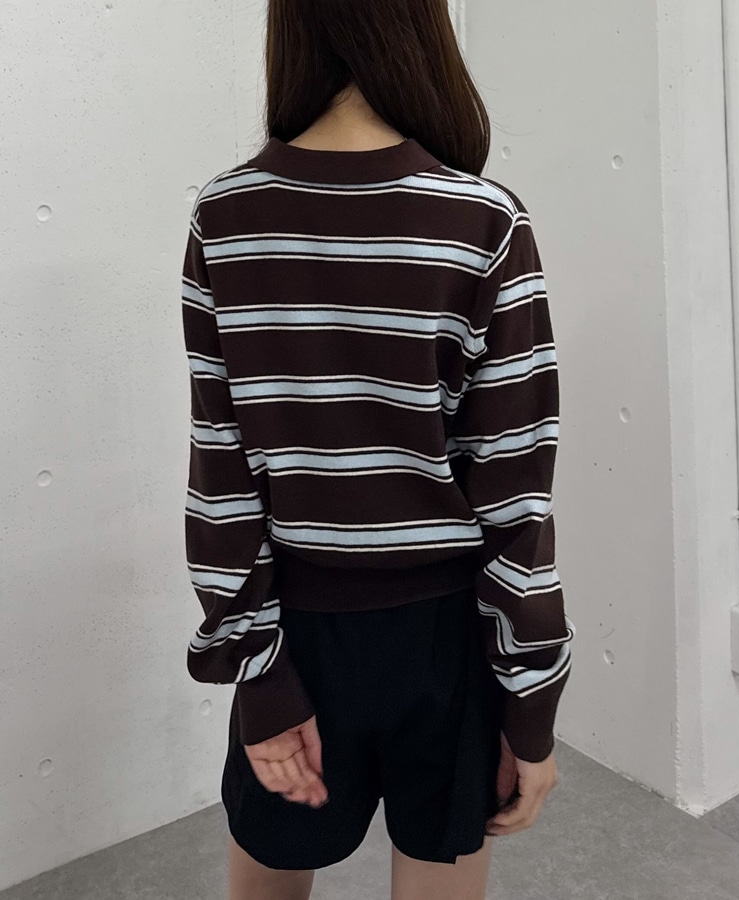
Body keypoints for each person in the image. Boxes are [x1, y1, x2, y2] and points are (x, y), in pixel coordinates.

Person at [180, 2, 576, 898]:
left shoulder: (225, 215)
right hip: (447, 646)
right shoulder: (484, 221)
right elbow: (516, 497)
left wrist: (259, 676)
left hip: (294, 637)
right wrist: (531, 705)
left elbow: (220, 472)